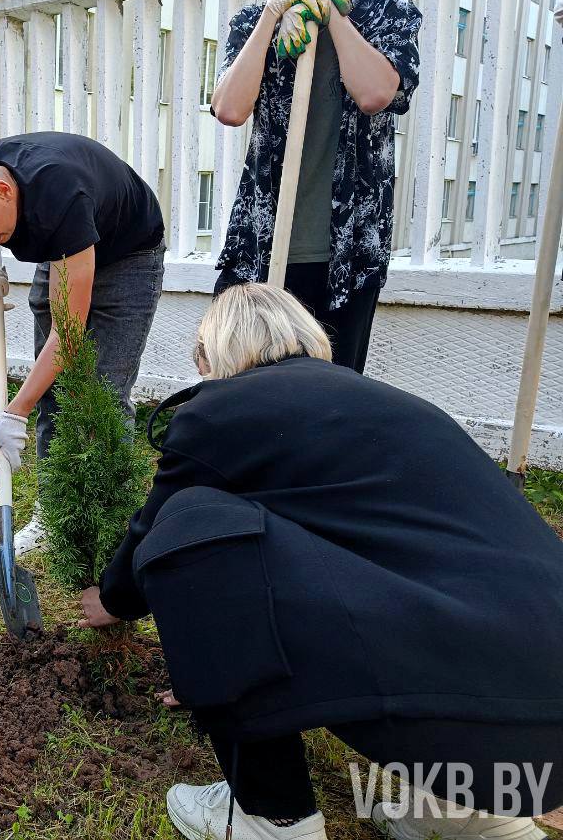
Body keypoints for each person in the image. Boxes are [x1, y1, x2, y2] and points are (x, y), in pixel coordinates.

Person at [79, 283, 563, 840]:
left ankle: (271, 815)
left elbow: (158, 530)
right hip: (537, 737)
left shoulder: (218, 412)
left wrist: (117, 601)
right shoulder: (394, 404)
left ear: (212, 357)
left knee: (193, 522)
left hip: (470, 705)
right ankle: (463, 816)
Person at [211, 0, 422, 373]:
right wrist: (271, 17)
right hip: (260, 241)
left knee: (331, 391)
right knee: (242, 380)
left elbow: (376, 94)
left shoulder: (384, 9)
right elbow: (229, 109)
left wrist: (330, 12)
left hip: (348, 248)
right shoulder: (251, 24)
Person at [0, 133, 165, 553]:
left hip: (128, 258)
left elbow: (67, 335)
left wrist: (15, 413)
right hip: (65, 251)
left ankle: (112, 529)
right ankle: (54, 516)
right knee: (53, 390)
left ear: (4, 191)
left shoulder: (60, 197)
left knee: (103, 396)